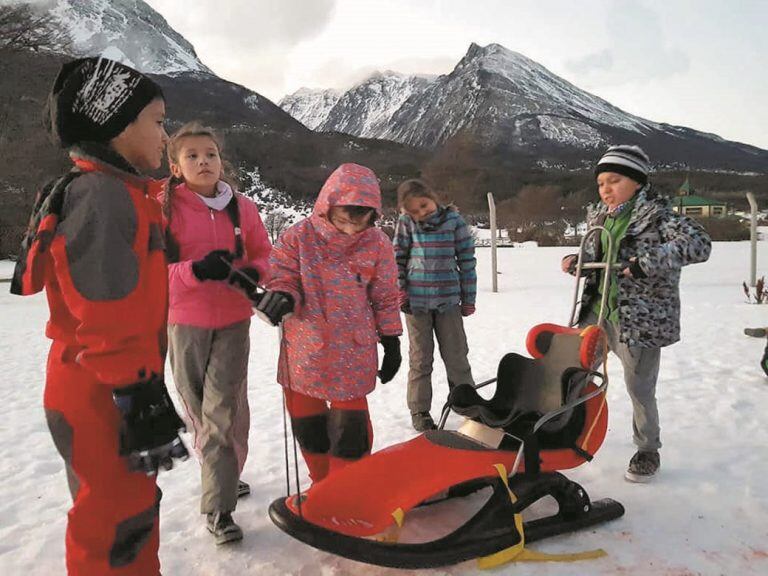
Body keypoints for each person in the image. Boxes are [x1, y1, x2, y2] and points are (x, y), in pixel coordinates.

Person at [10, 57, 187, 575]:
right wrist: (137, 393)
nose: (165, 134)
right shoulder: (105, 198)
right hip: (102, 388)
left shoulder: (109, 191)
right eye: (157, 121)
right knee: (114, 525)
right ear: (117, 125)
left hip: (100, 381)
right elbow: (105, 306)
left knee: (126, 510)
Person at [561, 144, 711, 483]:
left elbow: (699, 244)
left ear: (638, 182)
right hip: (596, 312)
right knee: (575, 374)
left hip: (637, 320)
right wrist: (577, 262)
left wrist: (646, 264)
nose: (606, 189)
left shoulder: (660, 217)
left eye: (614, 180)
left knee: (639, 386)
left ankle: (647, 449)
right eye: (601, 183)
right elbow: (592, 251)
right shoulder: (601, 216)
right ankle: (569, 430)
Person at [161, 122, 271, 544]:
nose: (204, 161)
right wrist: (193, 270)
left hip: (231, 321)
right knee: (200, 410)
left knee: (221, 413)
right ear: (176, 166)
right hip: (183, 322)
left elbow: (264, 254)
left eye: (211, 154)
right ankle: (223, 474)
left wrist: (251, 272)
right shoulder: (164, 207)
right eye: (192, 155)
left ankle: (218, 508)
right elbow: (150, 270)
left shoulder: (242, 207)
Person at [257, 163, 402, 484]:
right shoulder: (298, 238)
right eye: (344, 215)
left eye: (360, 216)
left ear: (373, 213)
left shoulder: (378, 244)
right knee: (308, 425)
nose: (352, 224)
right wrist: (282, 296)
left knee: (350, 429)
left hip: (353, 350)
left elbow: (387, 296)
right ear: (327, 204)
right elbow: (283, 276)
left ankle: (347, 486)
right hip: (304, 350)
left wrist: (392, 339)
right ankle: (322, 483)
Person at [393, 179, 477, 432]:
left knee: (456, 356)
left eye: (423, 205)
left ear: (433, 197)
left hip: (448, 301)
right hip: (416, 305)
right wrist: (401, 293)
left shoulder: (454, 222)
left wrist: (468, 297)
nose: (421, 212)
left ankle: (467, 404)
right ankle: (419, 410)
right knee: (420, 360)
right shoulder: (406, 224)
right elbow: (396, 259)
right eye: (413, 211)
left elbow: (467, 260)